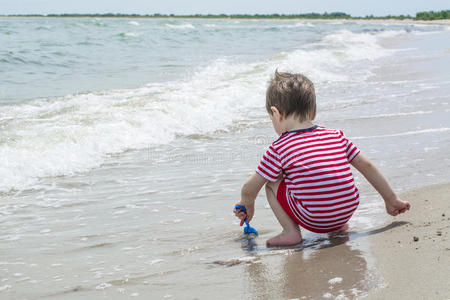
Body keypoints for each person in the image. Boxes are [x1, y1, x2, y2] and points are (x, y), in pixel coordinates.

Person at [233, 71, 411, 247]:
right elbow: (367, 165)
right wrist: (391, 199)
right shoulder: (335, 136)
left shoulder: (279, 148)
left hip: (314, 218)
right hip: (346, 211)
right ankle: (338, 227)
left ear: (276, 113)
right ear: (313, 112)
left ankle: (291, 232)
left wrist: (247, 204)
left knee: (271, 182)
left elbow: (249, 188)